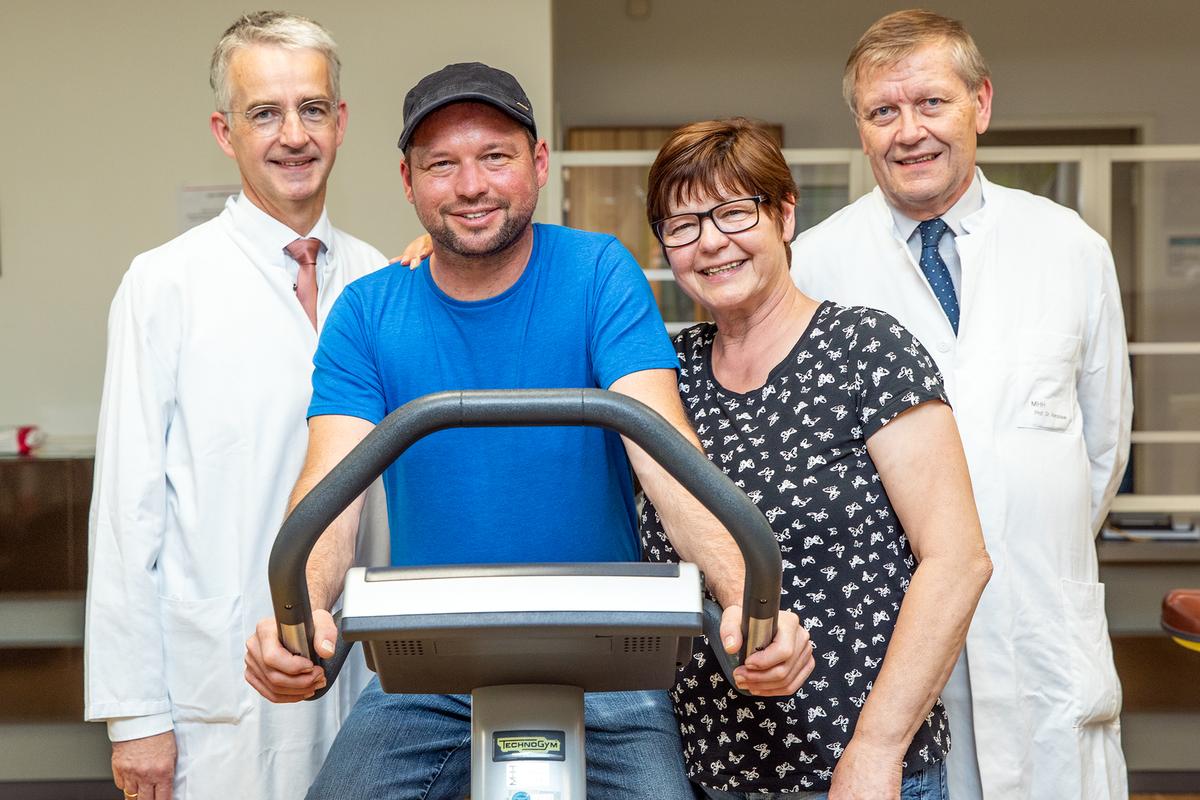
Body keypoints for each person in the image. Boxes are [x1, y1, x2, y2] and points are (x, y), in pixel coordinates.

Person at [243, 62, 810, 799]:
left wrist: (749, 607)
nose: (470, 185)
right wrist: (300, 619)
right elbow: (329, 489)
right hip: (428, 669)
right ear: (408, 182)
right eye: (441, 165)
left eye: (495, 157)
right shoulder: (368, 311)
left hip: (607, 662)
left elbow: (667, 458)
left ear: (538, 165)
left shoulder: (598, 272)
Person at [791, 10, 1133, 799]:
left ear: (981, 103)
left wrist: (1017, 541)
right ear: (861, 127)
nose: (908, 132)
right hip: (893, 663)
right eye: (883, 112)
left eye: (931, 104)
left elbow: (1102, 449)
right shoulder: (816, 264)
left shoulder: (1070, 247)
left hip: (1042, 633)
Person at [637, 117, 991, 799]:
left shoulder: (866, 351)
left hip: (860, 772)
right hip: (706, 776)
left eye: (734, 212)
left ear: (784, 215)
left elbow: (958, 560)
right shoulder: (664, 375)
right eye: (681, 226)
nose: (710, 242)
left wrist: (876, 751)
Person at [84, 12, 385, 800]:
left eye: (312, 108)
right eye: (264, 113)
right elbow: (126, 512)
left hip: (364, 682)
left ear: (342, 121)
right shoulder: (164, 284)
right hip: (215, 697)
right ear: (225, 131)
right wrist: (135, 716)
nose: (293, 134)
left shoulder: (380, 276)